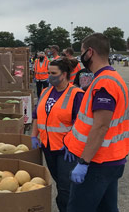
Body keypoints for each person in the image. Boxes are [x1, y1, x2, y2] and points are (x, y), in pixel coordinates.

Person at [63, 33, 129, 212]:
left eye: (82, 52)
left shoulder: (104, 83)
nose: (80, 57)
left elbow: (101, 126)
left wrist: (83, 162)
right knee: (107, 208)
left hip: (97, 162)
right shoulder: (112, 78)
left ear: (90, 52)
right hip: (112, 159)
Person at [31, 58, 84, 212]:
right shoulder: (45, 91)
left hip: (66, 150)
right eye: (48, 72)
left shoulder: (76, 95)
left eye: (53, 73)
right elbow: (37, 116)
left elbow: (80, 125)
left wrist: (72, 145)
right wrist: (34, 136)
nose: (49, 76)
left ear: (64, 74)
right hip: (48, 147)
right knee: (59, 183)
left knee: (65, 188)